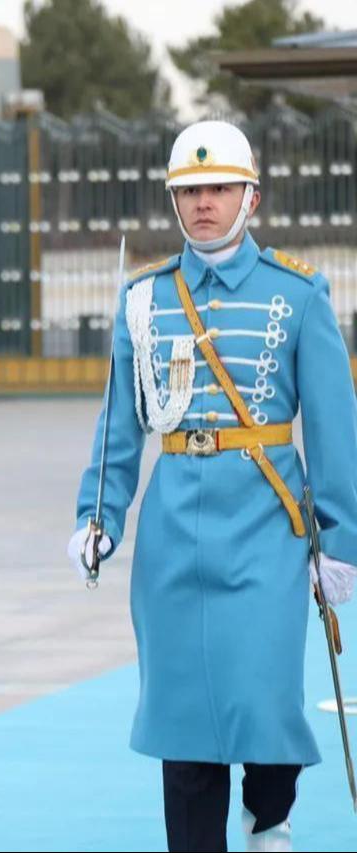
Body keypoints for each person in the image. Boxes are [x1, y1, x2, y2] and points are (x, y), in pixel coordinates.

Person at [69, 120, 357, 852]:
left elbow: (333, 426)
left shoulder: (298, 294)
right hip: (172, 538)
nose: (203, 203)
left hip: (266, 528)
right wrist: (98, 515)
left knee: (264, 695)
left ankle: (270, 816)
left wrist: (340, 538)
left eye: (219, 188)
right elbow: (120, 424)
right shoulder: (145, 298)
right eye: (189, 191)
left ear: (250, 196)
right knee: (183, 714)